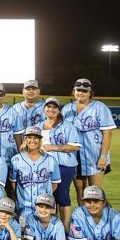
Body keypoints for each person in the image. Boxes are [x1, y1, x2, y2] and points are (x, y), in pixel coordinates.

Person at [62, 79, 116, 204]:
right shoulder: (67, 109)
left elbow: (107, 133)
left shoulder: (99, 107)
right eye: (78, 90)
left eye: (84, 91)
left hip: (95, 155)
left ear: (90, 93)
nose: (81, 93)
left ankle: (106, 219)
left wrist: (103, 156)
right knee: (80, 191)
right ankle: (83, 220)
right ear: (73, 92)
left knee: (95, 192)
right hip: (75, 156)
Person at [36, 97, 80, 229]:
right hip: (44, 165)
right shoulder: (38, 126)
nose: (51, 109)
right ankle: (52, 226)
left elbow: (75, 146)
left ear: (59, 110)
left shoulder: (67, 126)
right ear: (44, 109)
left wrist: (54, 147)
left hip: (64, 165)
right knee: (48, 195)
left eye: (54, 107)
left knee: (61, 194)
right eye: (48, 107)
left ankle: (65, 228)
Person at [8, 126, 61, 223]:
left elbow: (54, 184)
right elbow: (13, 184)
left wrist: (45, 198)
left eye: (35, 138)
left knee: (43, 233)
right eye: (29, 137)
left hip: (44, 207)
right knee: (25, 234)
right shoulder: (16, 160)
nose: (32, 140)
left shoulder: (51, 160)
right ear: (25, 139)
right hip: (24, 207)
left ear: (40, 140)